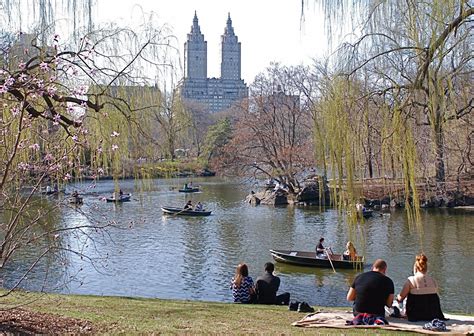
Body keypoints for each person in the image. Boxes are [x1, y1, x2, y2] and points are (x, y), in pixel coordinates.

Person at [397, 253, 445, 322]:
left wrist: (397, 297)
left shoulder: (411, 280)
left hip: (415, 315)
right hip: (432, 314)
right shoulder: (433, 281)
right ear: (426, 268)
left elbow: (400, 299)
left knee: (401, 300)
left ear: (415, 267)